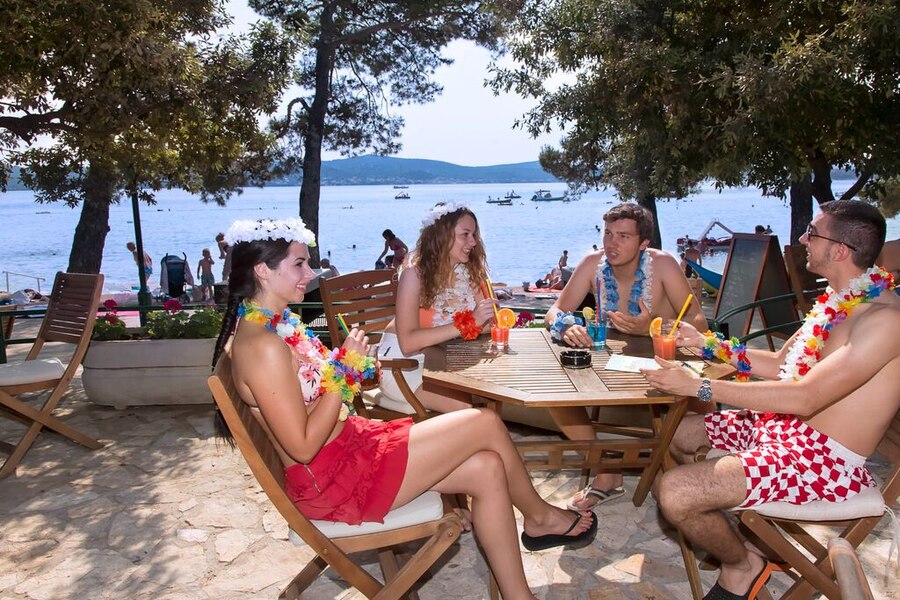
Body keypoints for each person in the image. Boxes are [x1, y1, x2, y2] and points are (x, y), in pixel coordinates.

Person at [212, 217, 597, 600]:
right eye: (299, 264)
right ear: (262, 270)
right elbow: (302, 447)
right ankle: (540, 517)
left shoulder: (277, 325)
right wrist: (345, 370)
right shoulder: (262, 347)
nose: (310, 274)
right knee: (485, 422)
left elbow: (311, 396)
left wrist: (354, 369)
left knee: (488, 468)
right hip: (333, 480)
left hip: (351, 448)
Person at [642, 200, 899, 600]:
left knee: (675, 493)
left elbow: (806, 397)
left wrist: (700, 387)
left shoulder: (884, 320)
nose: (803, 240)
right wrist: (707, 345)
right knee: (677, 433)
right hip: (783, 431)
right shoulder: (837, 301)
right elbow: (782, 364)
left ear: (839, 250)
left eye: (812, 233)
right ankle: (757, 538)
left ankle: (742, 565)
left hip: (822, 461)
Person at [544, 202, 707, 511]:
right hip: (610, 365)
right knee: (554, 395)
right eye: (608, 233)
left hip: (663, 364)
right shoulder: (592, 264)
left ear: (643, 242)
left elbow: (699, 324)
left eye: (623, 236)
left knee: (701, 402)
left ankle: (686, 473)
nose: (611, 243)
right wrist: (565, 326)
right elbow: (555, 310)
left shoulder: (663, 265)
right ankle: (606, 470)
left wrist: (652, 327)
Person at [378, 202, 497, 413]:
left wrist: (482, 319)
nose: (473, 242)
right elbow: (408, 343)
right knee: (466, 407)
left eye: (474, 235)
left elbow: (490, 324)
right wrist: (468, 323)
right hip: (402, 365)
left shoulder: (471, 272)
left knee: (491, 391)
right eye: (465, 235)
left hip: (442, 359)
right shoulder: (414, 275)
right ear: (443, 236)